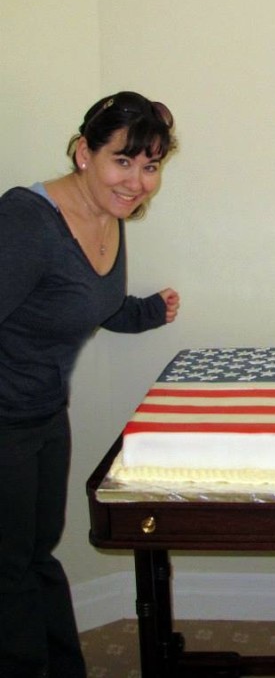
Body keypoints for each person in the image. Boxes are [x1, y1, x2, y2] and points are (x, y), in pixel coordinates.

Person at [0, 91, 180, 678]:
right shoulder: (26, 220)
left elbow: (85, 302)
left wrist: (146, 312)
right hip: (4, 421)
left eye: (150, 166)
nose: (137, 181)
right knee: (8, 573)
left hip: (46, 414)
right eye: (122, 161)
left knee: (35, 556)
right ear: (84, 152)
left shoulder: (109, 214)